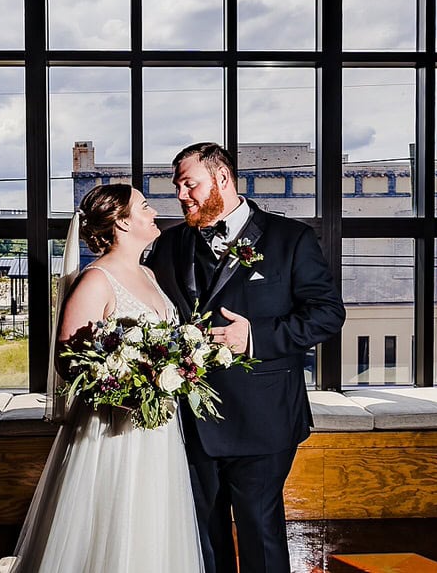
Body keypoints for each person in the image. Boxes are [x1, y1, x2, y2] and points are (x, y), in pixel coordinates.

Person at [0, 183, 204, 573]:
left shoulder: (148, 273)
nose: (153, 213)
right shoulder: (96, 279)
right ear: (122, 222)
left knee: (152, 517)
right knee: (109, 521)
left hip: (157, 427)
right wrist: (122, 387)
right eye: (144, 206)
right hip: (110, 425)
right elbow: (67, 358)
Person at [146, 142, 347, 573]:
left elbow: (328, 315)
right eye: (177, 186)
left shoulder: (291, 239)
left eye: (189, 184)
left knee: (260, 528)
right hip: (190, 418)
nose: (181, 195)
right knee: (203, 531)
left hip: (265, 416)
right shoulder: (170, 245)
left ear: (222, 178)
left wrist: (254, 336)